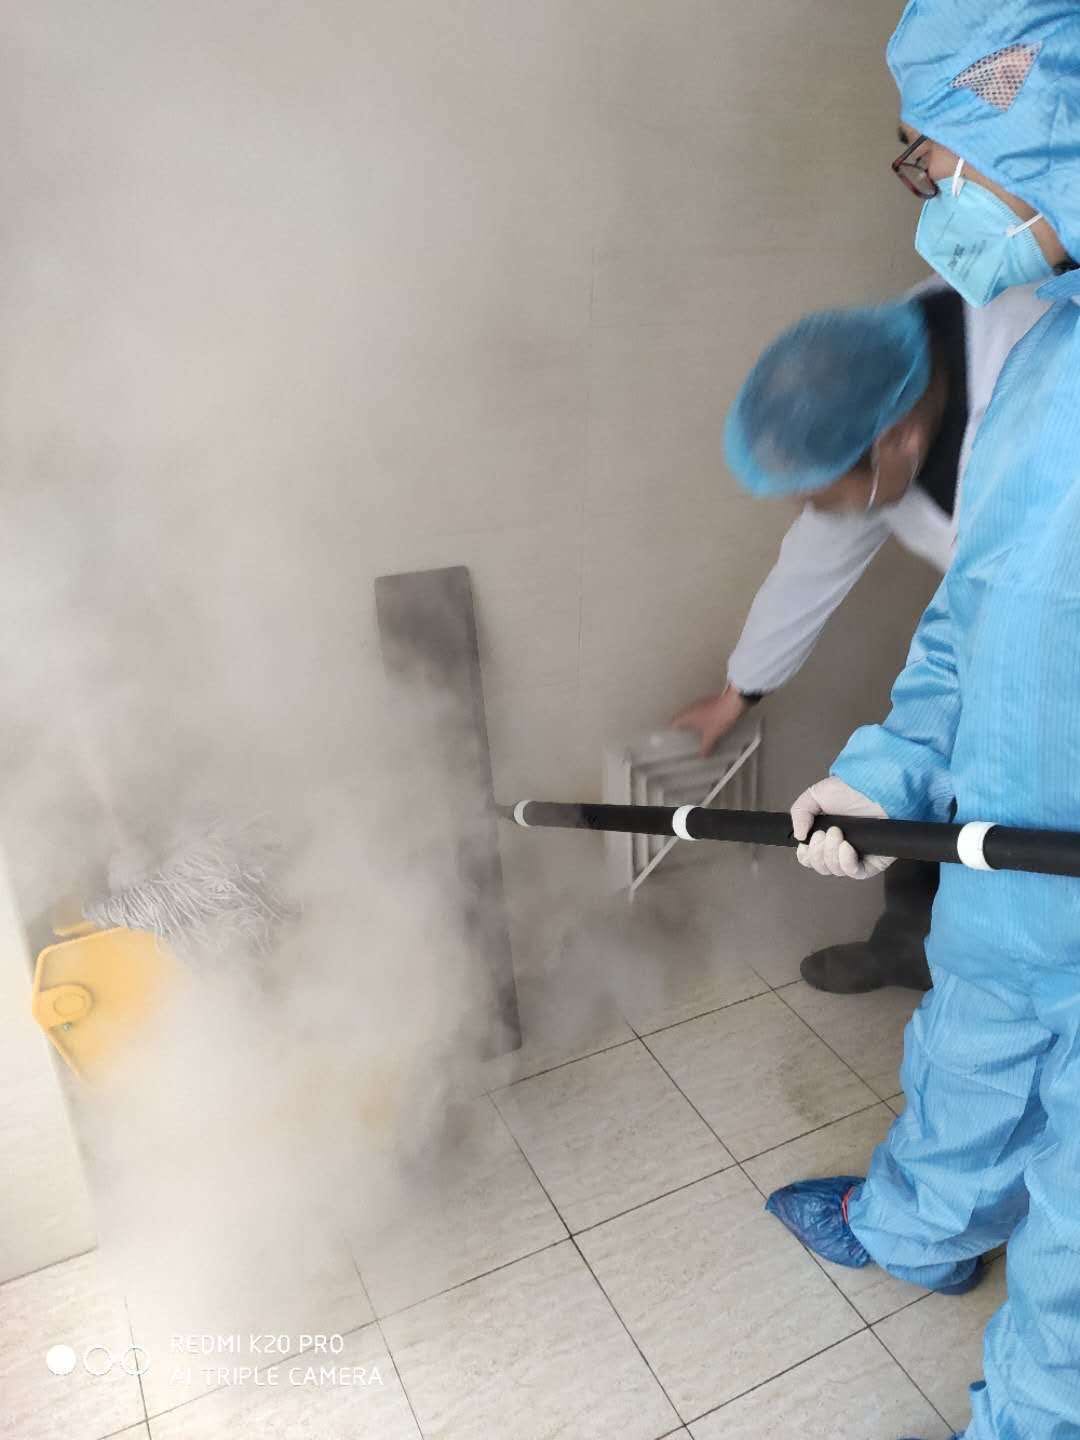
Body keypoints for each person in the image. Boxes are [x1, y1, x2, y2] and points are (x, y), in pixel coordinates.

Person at [765, 4, 1080, 1437]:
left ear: (1045, 110)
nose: (934, 198)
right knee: (972, 1048)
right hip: (1011, 850)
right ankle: (916, 1230)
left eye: (938, 157)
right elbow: (973, 616)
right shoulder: (1048, 357)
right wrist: (880, 771)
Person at [673, 283, 1047, 995]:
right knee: (926, 770)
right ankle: (908, 945)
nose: (813, 509)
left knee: (1009, 829)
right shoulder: (877, 388)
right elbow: (813, 559)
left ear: (900, 441)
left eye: (821, 493)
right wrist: (739, 690)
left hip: (1053, 645)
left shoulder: (1037, 398)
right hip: (990, 640)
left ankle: (984, 972)